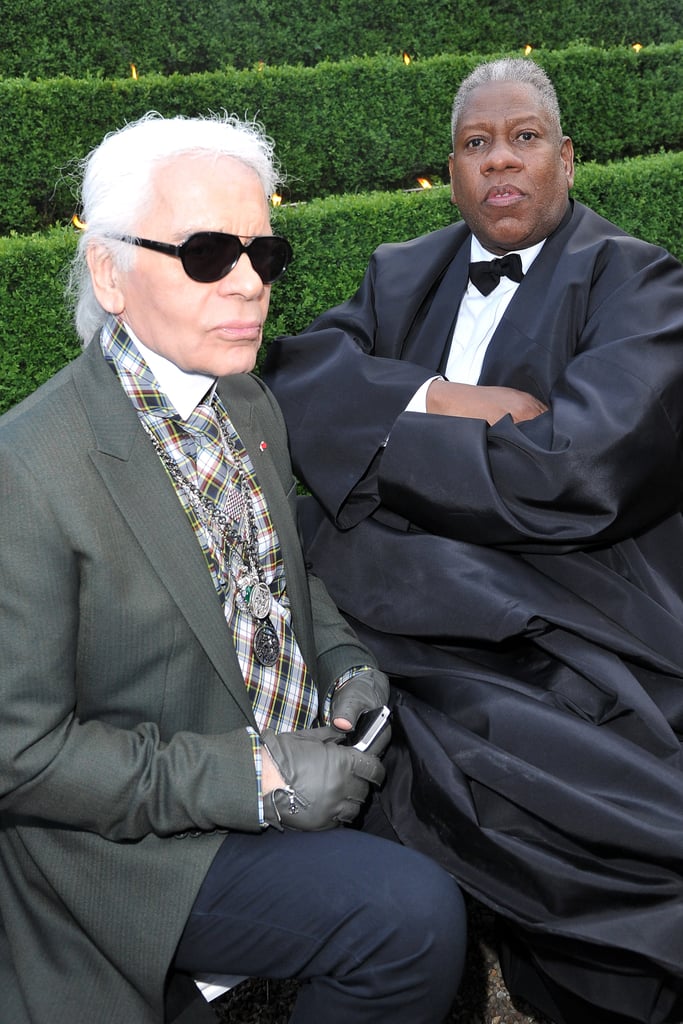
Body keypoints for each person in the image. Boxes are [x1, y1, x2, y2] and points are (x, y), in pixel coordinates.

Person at [0, 111, 468, 1024]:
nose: (250, 284)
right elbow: (21, 756)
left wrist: (344, 664)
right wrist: (255, 779)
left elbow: (280, 575)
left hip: (290, 753)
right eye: (209, 253)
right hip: (131, 845)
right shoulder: (26, 468)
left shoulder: (248, 399)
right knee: (409, 922)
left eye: (265, 251)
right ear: (110, 272)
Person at [262, 58, 683, 1024]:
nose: (500, 160)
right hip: (389, 611)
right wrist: (449, 402)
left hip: (567, 612)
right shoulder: (397, 271)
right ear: (448, 171)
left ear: (566, 159)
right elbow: (290, 377)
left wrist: (376, 434)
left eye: (524, 137)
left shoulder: (640, 280)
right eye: (475, 143)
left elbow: (570, 476)